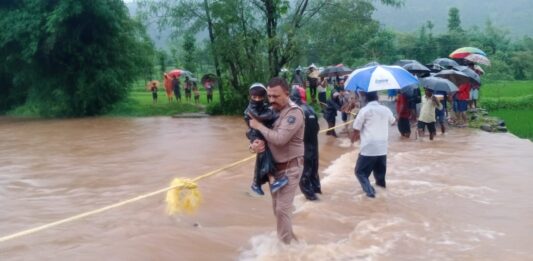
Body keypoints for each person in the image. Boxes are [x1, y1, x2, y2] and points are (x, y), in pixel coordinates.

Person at [249, 77, 305, 244]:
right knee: (278, 210)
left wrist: (258, 126)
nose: (272, 100)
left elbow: (280, 139)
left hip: (291, 168)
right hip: (274, 169)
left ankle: (286, 250)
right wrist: (254, 146)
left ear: (287, 94)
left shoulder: (294, 113)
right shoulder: (271, 111)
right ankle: (294, 244)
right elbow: (262, 138)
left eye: (276, 96)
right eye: (270, 96)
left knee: (282, 210)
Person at [244, 83, 287, 196]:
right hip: (256, 134)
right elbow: (260, 117)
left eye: (260, 97)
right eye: (254, 97)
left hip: (263, 133)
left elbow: (265, 116)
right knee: (263, 151)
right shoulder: (251, 109)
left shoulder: (264, 107)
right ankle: (271, 181)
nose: (257, 99)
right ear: (250, 97)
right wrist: (275, 114)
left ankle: (256, 183)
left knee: (263, 154)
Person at [350, 91, 395, 198]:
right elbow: (393, 122)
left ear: (365, 98)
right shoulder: (386, 109)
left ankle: (370, 193)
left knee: (360, 172)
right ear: (377, 97)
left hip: (368, 148)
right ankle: (383, 197)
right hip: (382, 148)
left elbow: (356, 130)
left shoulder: (364, 110)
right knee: (380, 178)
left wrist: (352, 141)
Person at [290, 86, 321, 201]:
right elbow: (317, 128)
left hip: (303, 149)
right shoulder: (311, 109)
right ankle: (317, 191)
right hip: (314, 148)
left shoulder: (296, 111)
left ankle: (313, 201)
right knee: (313, 172)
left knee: (303, 177)